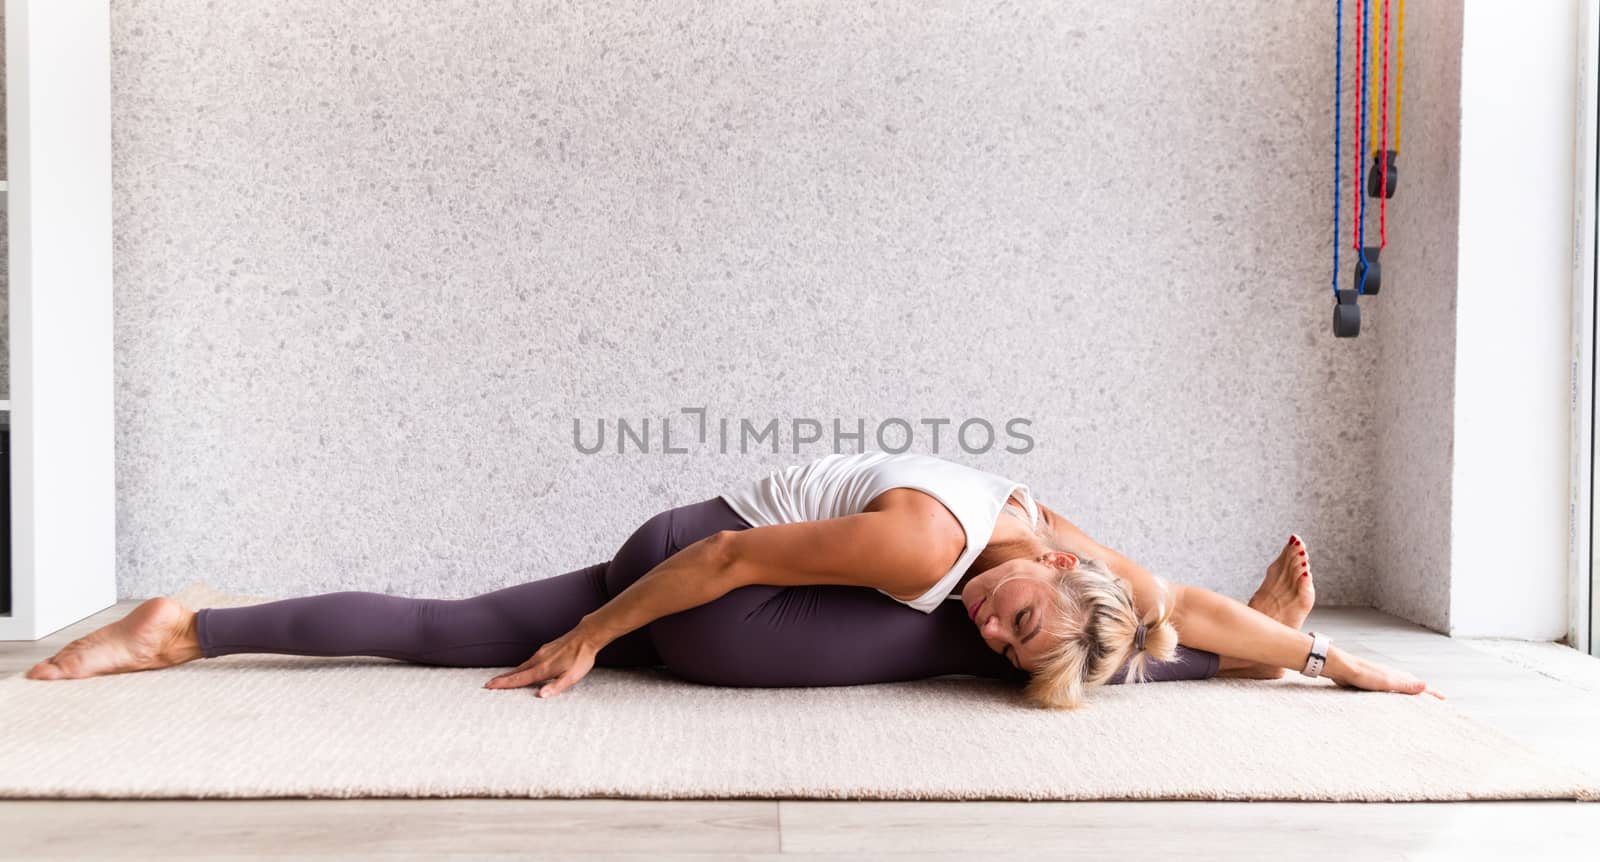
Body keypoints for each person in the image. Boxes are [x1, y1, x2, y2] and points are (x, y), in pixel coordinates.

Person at [24, 451, 1444, 708]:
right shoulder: (933, 549)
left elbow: (1171, 601)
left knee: (449, 630)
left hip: (697, 561)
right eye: (1014, 621)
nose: (991, 627)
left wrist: (1332, 660)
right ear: (1043, 568)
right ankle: (1261, 650)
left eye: (1007, 634)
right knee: (947, 665)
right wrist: (592, 635)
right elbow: (723, 557)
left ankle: (186, 626)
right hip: (711, 583)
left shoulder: (1062, 543)